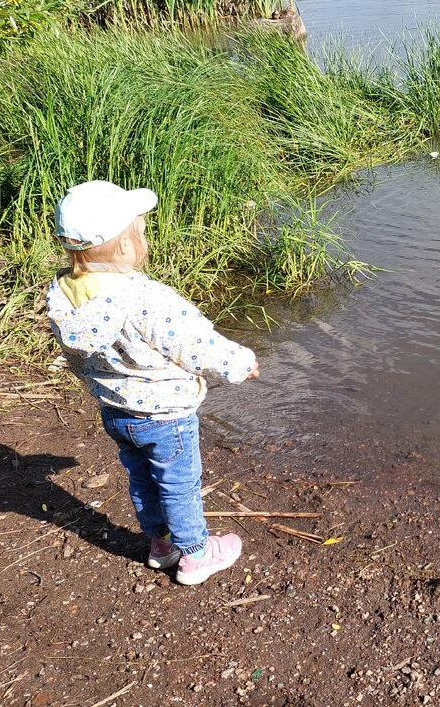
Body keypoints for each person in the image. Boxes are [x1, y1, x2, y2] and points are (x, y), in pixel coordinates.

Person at [47, 180, 260, 585]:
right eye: (141, 232)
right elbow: (196, 344)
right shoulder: (144, 297)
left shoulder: (64, 293)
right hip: (165, 415)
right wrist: (240, 362)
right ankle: (196, 555)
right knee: (180, 484)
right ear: (125, 246)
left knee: (142, 477)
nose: (144, 238)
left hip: (117, 411)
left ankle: (161, 545)